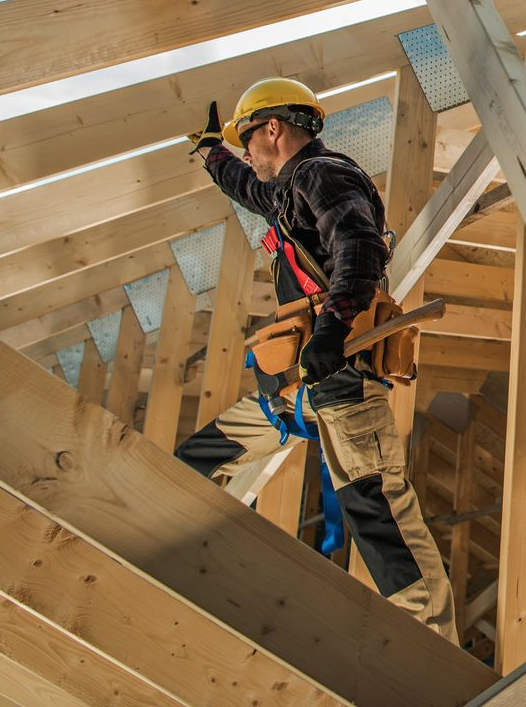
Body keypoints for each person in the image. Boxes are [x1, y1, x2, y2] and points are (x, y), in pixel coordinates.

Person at [175, 77, 456, 638]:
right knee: (195, 461)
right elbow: (245, 185)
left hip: (343, 384)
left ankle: (435, 644)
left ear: (272, 129)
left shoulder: (323, 175)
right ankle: (154, 539)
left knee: (378, 514)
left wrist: (331, 328)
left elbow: (359, 247)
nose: (246, 154)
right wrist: (212, 152)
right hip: (298, 390)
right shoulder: (287, 190)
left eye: (246, 141)